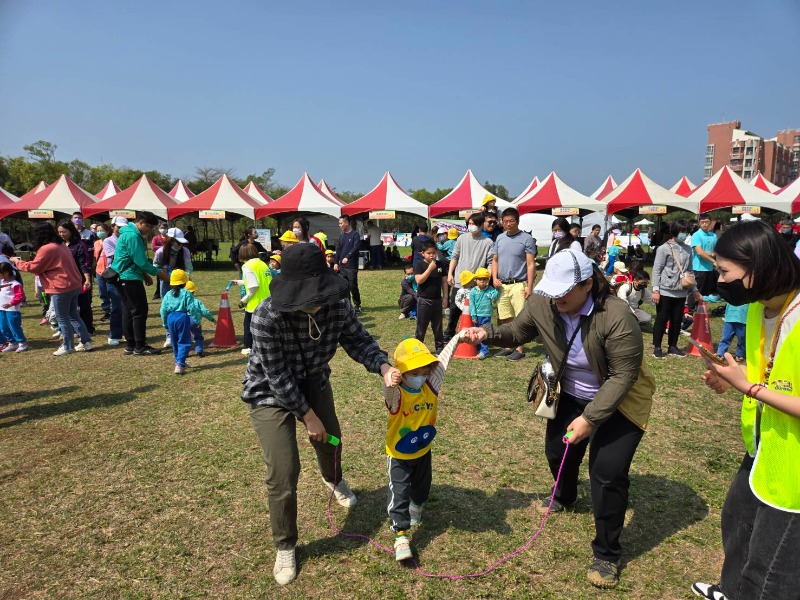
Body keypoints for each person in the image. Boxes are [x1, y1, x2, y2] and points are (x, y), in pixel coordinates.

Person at [462, 249, 656, 589]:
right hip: (570, 392)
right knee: (557, 451)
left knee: (607, 473)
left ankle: (607, 554)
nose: (556, 297)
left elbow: (622, 377)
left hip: (619, 400)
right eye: (552, 288)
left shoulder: (616, 315)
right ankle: (565, 496)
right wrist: (486, 334)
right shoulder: (542, 302)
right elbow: (518, 331)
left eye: (565, 289)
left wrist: (591, 419)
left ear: (587, 284)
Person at [242, 243, 400, 586]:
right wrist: (306, 415)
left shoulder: (337, 304)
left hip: (314, 378)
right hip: (270, 391)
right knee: (284, 471)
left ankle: (333, 478)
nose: (312, 301)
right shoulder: (266, 316)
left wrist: (384, 366)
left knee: (332, 440)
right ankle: (285, 544)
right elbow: (277, 376)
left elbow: (358, 341)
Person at [692, 219, 800, 600]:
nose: (718, 279)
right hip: (763, 448)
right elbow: (771, 372)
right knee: (738, 523)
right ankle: (730, 591)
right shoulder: (760, 306)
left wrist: (749, 387)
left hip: (793, 475)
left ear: (758, 268)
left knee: (771, 574)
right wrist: (733, 379)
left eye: (724, 271)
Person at [382, 334, 461, 561]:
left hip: (424, 451)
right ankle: (401, 535)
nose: (421, 377)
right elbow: (388, 393)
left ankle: (416, 507)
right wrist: (389, 380)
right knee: (399, 493)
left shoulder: (430, 388)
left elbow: (443, 362)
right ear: (402, 374)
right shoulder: (397, 396)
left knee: (422, 487)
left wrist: (458, 338)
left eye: (424, 372)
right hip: (399, 455)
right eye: (414, 374)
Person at [12, 223, 90, 356]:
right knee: (73, 314)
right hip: (73, 284)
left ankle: (68, 346)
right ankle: (86, 342)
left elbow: (35, 267)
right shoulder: (60, 245)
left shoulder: (47, 248)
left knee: (62, 317)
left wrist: (16, 261)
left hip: (61, 287)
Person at [111, 211, 169, 356]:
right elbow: (141, 261)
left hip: (127, 276)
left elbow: (133, 258)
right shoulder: (132, 236)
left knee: (129, 311)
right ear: (141, 222)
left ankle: (131, 345)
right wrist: (158, 273)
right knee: (139, 312)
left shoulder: (130, 234)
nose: (150, 231)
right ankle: (139, 346)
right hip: (128, 278)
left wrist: (144, 275)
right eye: (148, 227)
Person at [651, 218, 703, 359]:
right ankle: (657, 346)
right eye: (682, 231)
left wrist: (695, 290)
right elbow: (656, 270)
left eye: (686, 232)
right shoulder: (663, 249)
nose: (684, 234)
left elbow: (690, 271)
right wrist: (656, 289)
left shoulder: (687, 249)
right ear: (675, 231)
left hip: (681, 291)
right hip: (665, 290)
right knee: (661, 319)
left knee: (676, 320)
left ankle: (673, 346)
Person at [491, 207, 536, 362]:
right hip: (502, 285)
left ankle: (519, 348)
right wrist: (494, 278)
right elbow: (494, 260)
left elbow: (530, 264)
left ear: (517, 221)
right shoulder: (500, 238)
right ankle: (508, 345)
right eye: (505, 221)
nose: (508, 224)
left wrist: (529, 286)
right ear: (501, 222)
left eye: (511, 221)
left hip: (519, 283)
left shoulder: (526, 239)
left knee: (519, 317)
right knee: (505, 316)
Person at [445, 213, 495, 340]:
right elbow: (454, 257)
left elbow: (490, 262)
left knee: (475, 310)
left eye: (474, 224)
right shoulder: (461, 238)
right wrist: (450, 273)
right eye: (470, 224)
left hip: (476, 284)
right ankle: (449, 332)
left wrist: (487, 278)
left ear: (481, 225)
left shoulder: (488, 242)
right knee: (454, 308)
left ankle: (476, 336)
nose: (471, 226)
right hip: (459, 280)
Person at [154, 227, 194, 348]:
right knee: (168, 309)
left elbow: (189, 267)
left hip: (183, 283)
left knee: (185, 308)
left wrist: (183, 279)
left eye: (182, 243)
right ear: (171, 241)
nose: (180, 245)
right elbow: (155, 267)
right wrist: (166, 278)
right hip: (166, 282)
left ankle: (187, 333)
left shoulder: (185, 251)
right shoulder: (160, 252)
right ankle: (169, 335)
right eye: (178, 242)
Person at [231, 243, 272, 357]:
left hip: (255, 304)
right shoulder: (262, 264)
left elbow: (254, 286)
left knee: (248, 326)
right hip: (268, 301)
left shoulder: (247, 266)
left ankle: (248, 347)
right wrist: (239, 282)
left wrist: (243, 300)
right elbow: (257, 281)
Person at [57, 220, 95, 338]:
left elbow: (84, 264)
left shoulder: (79, 245)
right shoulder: (59, 246)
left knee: (84, 305)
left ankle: (88, 328)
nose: (62, 234)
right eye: (59, 232)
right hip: (65, 280)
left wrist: (87, 279)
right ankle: (70, 329)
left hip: (79, 279)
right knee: (69, 307)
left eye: (64, 231)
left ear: (71, 231)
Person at [159, 269, 194, 375]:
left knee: (174, 341)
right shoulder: (187, 294)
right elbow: (192, 308)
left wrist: (165, 322)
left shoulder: (168, 294)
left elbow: (163, 310)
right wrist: (196, 319)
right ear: (184, 282)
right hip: (182, 317)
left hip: (170, 318)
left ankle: (179, 361)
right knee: (184, 341)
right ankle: (179, 363)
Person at [414, 241, 445, 353]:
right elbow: (419, 280)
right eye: (428, 253)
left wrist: (445, 297)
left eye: (433, 253)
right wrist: (430, 269)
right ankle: (418, 348)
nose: (431, 255)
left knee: (438, 327)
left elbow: (444, 281)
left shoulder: (440, 264)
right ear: (423, 253)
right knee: (421, 327)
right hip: (424, 300)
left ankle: (440, 347)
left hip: (437, 300)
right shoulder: (419, 265)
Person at [102, 217, 127, 346]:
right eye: (119, 227)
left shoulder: (127, 238)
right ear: (112, 227)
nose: (121, 229)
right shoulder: (108, 241)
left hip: (127, 276)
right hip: (114, 277)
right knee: (117, 306)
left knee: (127, 307)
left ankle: (126, 332)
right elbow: (114, 256)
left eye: (124, 227)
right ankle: (114, 334)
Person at [334, 215, 362, 314]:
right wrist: (336, 262)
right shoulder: (341, 236)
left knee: (353, 286)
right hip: (342, 266)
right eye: (339, 223)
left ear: (347, 223)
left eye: (341, 223)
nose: (339, 225)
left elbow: (356, 247)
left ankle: (357, 304)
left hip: (351, 266)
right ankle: (348, 305)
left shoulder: (355, 235)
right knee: (344, 286)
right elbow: (338, 250)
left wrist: (348, 257)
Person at [469, 267, 498, 359]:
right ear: (475, 280)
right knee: (476, 332)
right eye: (480, 279)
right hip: (476, 316)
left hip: (486, 315)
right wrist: (473, 315)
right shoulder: (473, 291)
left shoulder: (490, 289)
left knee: (484, 333)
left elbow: (496, 294)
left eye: (485, 279)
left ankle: (484, 351)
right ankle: (477, 348)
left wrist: (493, 293)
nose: (482, 281)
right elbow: (472, 304)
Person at [691, 213, 719, 307]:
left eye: (707, 222)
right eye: (702, 222)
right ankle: (691, 311)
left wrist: (712, 254)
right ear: (699, 223)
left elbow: (717, 250)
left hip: (709, 268)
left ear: (710, 223)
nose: (705, 224)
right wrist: (713, 261)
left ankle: (701, 311)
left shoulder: (713, 236)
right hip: (699, 268)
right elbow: (699, 252)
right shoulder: (696, 235)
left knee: (706, 293)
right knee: (696, 291)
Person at [0, 262, 28, 352]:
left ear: (6, 273)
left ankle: (22, 343)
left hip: (12, 310)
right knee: (3, 327)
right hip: (2, 310)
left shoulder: (15, 284)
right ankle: (12, 343)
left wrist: (11, 303)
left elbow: (19, 296)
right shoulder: (2, 283)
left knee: (14, 326)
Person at [184, 280, 215, 358]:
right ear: (193, 291)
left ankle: (185, 353)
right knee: (198, 337)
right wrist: (212, 319)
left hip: (184, 321)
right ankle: (199, 351)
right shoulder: (197, 301)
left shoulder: (182, 301)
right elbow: (205, 312)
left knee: (185, 337)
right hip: (195, 322)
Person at [93, 223, 111, 322]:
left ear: (107, 231)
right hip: (99, 270)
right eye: (98, 230)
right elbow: (95, 256)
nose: (100, 232)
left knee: (111, 291)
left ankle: (114, 310)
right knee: (102, 292)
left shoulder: (111, 241)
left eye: (102, 230)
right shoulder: (96, 243)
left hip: (109, 271)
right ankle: (106, 311)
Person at [150, 223, 168, 299]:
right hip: (159, 260)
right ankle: (158, 293)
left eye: (164, 227)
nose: (162, 229)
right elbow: (153, 247)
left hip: (167, 259)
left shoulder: (169, 238)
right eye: (161, 227)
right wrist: (163, 247)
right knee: (159, 276)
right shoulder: (155, 238)